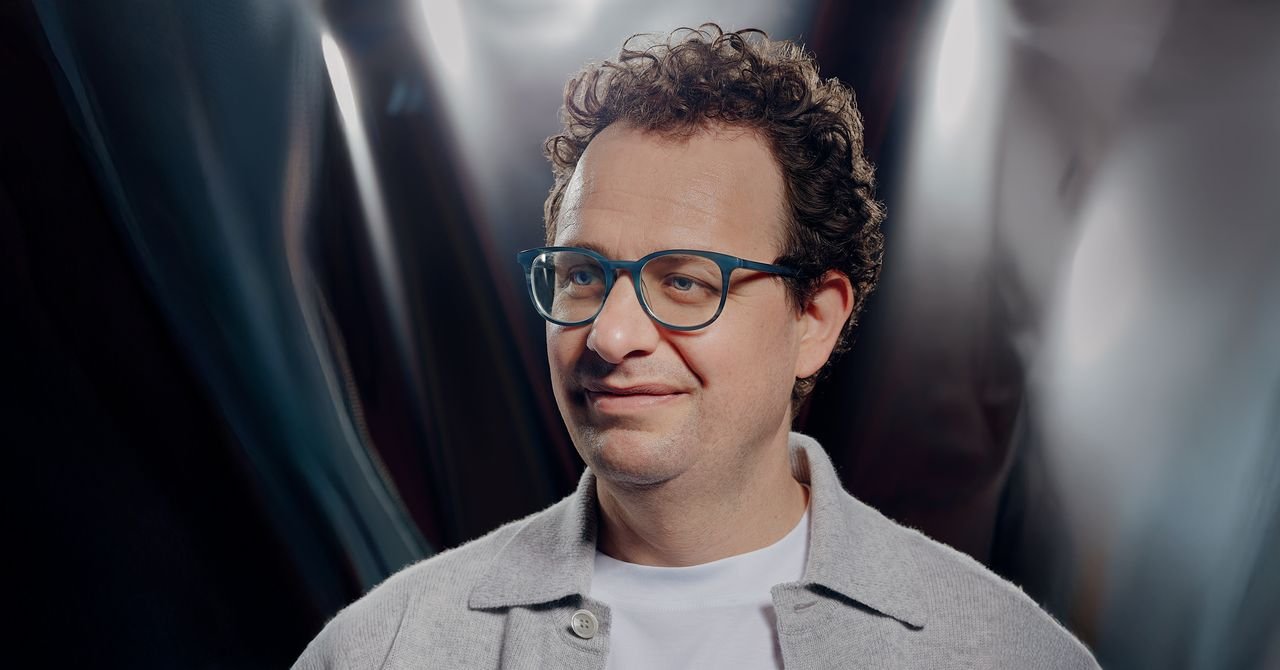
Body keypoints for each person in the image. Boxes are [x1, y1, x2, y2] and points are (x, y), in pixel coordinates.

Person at [294, 25, 1100, 669]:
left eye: (685, 281)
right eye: (582, 275)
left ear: (814, 320)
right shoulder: (383, 651)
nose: (611, 335)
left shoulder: (1000, 654)